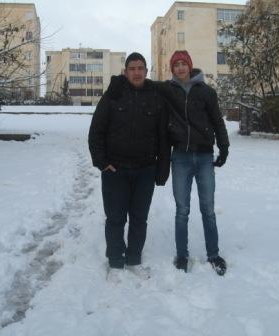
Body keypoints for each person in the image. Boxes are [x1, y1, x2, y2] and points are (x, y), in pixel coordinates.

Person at [88, 52, 170, 279]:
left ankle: (134, 259)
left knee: (139, 218)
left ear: (146, 71)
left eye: (140, 68)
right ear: (125, 72)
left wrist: (162, 169)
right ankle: (115, 262)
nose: (136, 72)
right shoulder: (113, 96)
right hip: (116, 171)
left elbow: (163, 137)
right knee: (115, 218)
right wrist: (103, 163)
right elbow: (96, 132)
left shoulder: (156, 97)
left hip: (145, 170)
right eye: (132, 68)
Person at [167, 50, 229, 276]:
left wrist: (224, 147)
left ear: (190, 66)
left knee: (208, 209)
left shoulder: (206, 92)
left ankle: (213, 254)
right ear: (172, 69)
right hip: (181, 157)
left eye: (184, 64)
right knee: (182, 210)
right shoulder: (168, 91)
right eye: (176, 65)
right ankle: (181, 255)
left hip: (204, 156)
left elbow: (217, 122)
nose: (180, 68)